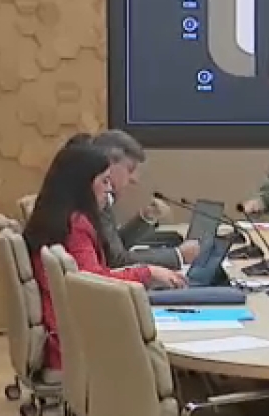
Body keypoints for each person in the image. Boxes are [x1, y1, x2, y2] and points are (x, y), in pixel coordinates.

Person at [23, 140, 187, 368]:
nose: (109, 189)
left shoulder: (55, 217)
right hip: (80, 348)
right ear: (83, 184)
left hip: (66, 337)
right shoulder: (75, 226)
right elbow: (94, 283)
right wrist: (148, 272)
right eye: (104, 181)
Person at [90, 129, 193, 270]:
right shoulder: (93, 201)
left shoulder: (102, 199)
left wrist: (145, 217)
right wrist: (178, 255)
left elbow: (113, 246)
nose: (134, 179)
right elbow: (116, 260)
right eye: (130, 169)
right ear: (108, 164)